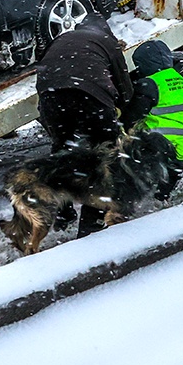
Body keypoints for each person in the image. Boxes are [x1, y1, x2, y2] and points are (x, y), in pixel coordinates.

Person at [35, 13, 133, 237]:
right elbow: (125, 89)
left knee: (62, 151)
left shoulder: (62, 39)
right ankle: (91, 225)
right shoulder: (107, 42)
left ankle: (63, 211)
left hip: (50, 97)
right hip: (90, 96)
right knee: (105, 158)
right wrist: (123, 112)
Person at [121, 39, 183, 199]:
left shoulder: (150, 84)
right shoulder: (181, 79)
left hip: (164, 150)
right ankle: (163, 193)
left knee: (126, 158)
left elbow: (132, 115)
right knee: (166, 184)